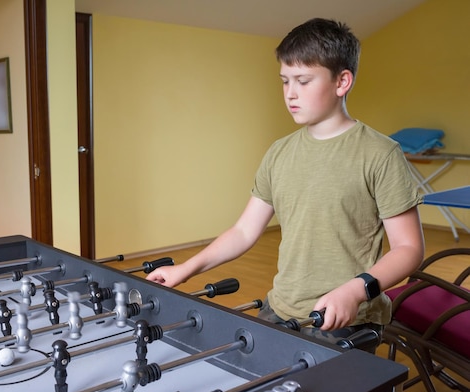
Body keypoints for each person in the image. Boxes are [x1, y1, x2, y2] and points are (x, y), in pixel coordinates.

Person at [145, 17, 425, 349]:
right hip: (281, 307)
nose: (290, 94)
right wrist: (185, 269)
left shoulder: (381, 154)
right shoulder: (280, 152)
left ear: (342, 81)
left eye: (303, 81)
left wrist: (355, 290)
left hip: (349, 318)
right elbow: (244, 232)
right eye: (285, 81)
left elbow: (409, 249)